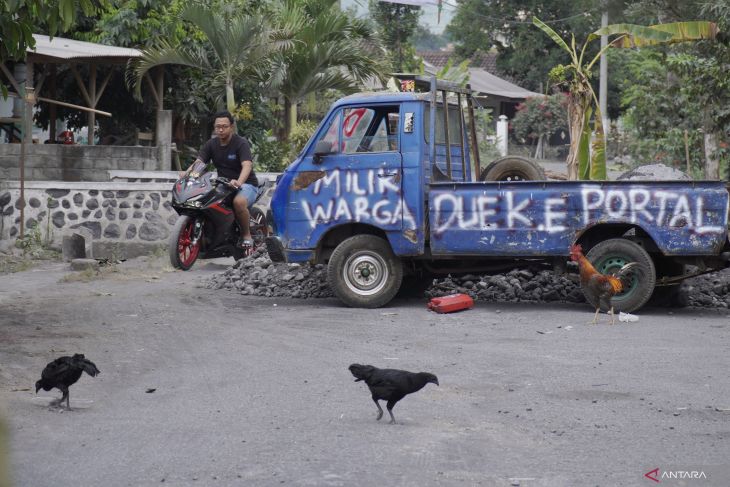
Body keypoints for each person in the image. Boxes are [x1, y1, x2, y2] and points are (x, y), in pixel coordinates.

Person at [182, 110, 259, 255]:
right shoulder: (211, 144)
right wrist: (188, 175)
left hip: (247, 184)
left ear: (231, 127)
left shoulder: (241, 143)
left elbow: (247, 165)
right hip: (223, 184)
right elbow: (200, 163)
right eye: (218, 126)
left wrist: (239, 182)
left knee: (239, 202)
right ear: (214, 127)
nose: (221, 129)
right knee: (204, 200)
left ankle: (246, 235)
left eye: (224, 126)